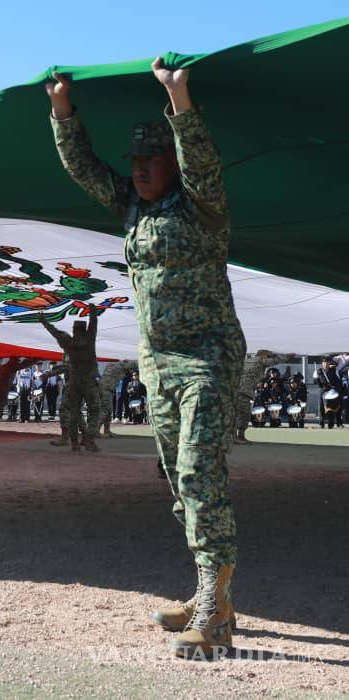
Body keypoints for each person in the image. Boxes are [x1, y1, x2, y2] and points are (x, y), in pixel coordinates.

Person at [48, 60, 244, 657]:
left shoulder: (201, 209)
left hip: (207, 360)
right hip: (156, 363)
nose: (137, 171)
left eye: (149, 163)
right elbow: (82, 168)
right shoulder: (132, 210)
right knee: (179, 486)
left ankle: (213, 610)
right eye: (133, 164)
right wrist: (61, 109)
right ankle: (214, 591)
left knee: (197, 474)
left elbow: (203, 161)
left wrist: (178, 96)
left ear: (172, 168)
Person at [39, 308, 101, 452]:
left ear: (73, 330)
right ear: (84, 330)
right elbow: (94, 325)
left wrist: (44, 322)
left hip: (74, 382)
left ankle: (74, 442)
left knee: (74, 412)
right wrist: (92, 310)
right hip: (88, 382)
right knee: (95, 410)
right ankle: (90, 440)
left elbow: (54, 332)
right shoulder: (89, 341)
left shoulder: (68, 342)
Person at [234, 350, 294, 443]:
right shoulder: (259, 360)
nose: (269, 359)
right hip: (244, 391)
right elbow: (276, 360)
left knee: (238, 414)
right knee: (243, 414)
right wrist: (288, 356)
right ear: (263, 356)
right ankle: (238, 437)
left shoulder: (246, 361)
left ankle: (239, 437)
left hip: (237, 390)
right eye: (269, 356)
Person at [0, 357, 35, 432]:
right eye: (17, 361)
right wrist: (34, 360)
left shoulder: (5, 366)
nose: (18, 363)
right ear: (14, 361)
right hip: (0, 391)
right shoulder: (11, 366)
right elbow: (23, 365)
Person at [98, 360, 136, 438]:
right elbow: (124, 376)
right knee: (105, 410)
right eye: (130, 369)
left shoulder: (112, 364)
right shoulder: (119, 369)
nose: (131, 371)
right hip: (106, 390)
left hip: (107, 390)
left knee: (109, 411)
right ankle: (95, 430)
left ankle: (107, 430)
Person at [315, 356, 345, 429]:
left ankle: (335, 423)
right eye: (324, 362)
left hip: (332, 390)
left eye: (327, 362)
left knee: (335, 406)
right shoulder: (319, 371)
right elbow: (318, 382)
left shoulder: (333, 370)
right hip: (323, 389)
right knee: (321, 407)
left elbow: (340, 366)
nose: (325, 364)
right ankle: (321, 422)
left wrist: (335, 366)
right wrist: (317, 380)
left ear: (329, 363)